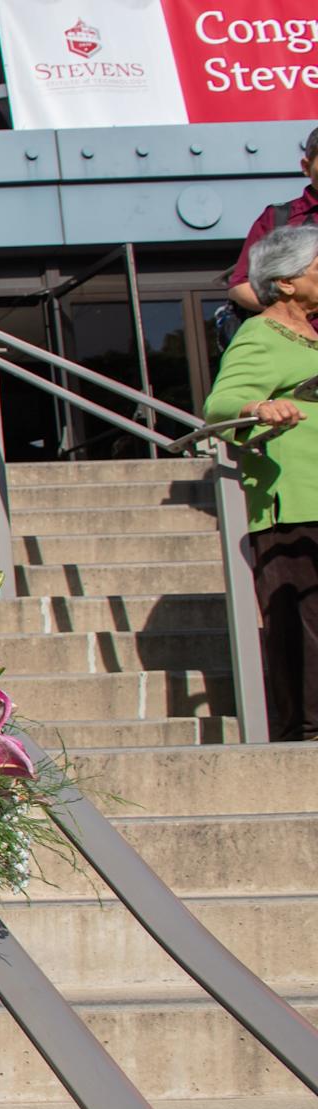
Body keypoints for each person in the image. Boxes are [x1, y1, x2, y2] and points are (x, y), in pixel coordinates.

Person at [207, 223, 318, 741]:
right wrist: (260, 406)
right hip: (291, 501)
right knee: (303, 621)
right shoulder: (259, 334)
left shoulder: (311, 333)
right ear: (288, 282)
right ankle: (305, 726)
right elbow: (218, 406)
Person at [225, 126, 318, 314]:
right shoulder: (278, 218)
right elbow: (241, 285)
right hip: (299, 339)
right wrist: (293, 318)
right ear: (306, 167)